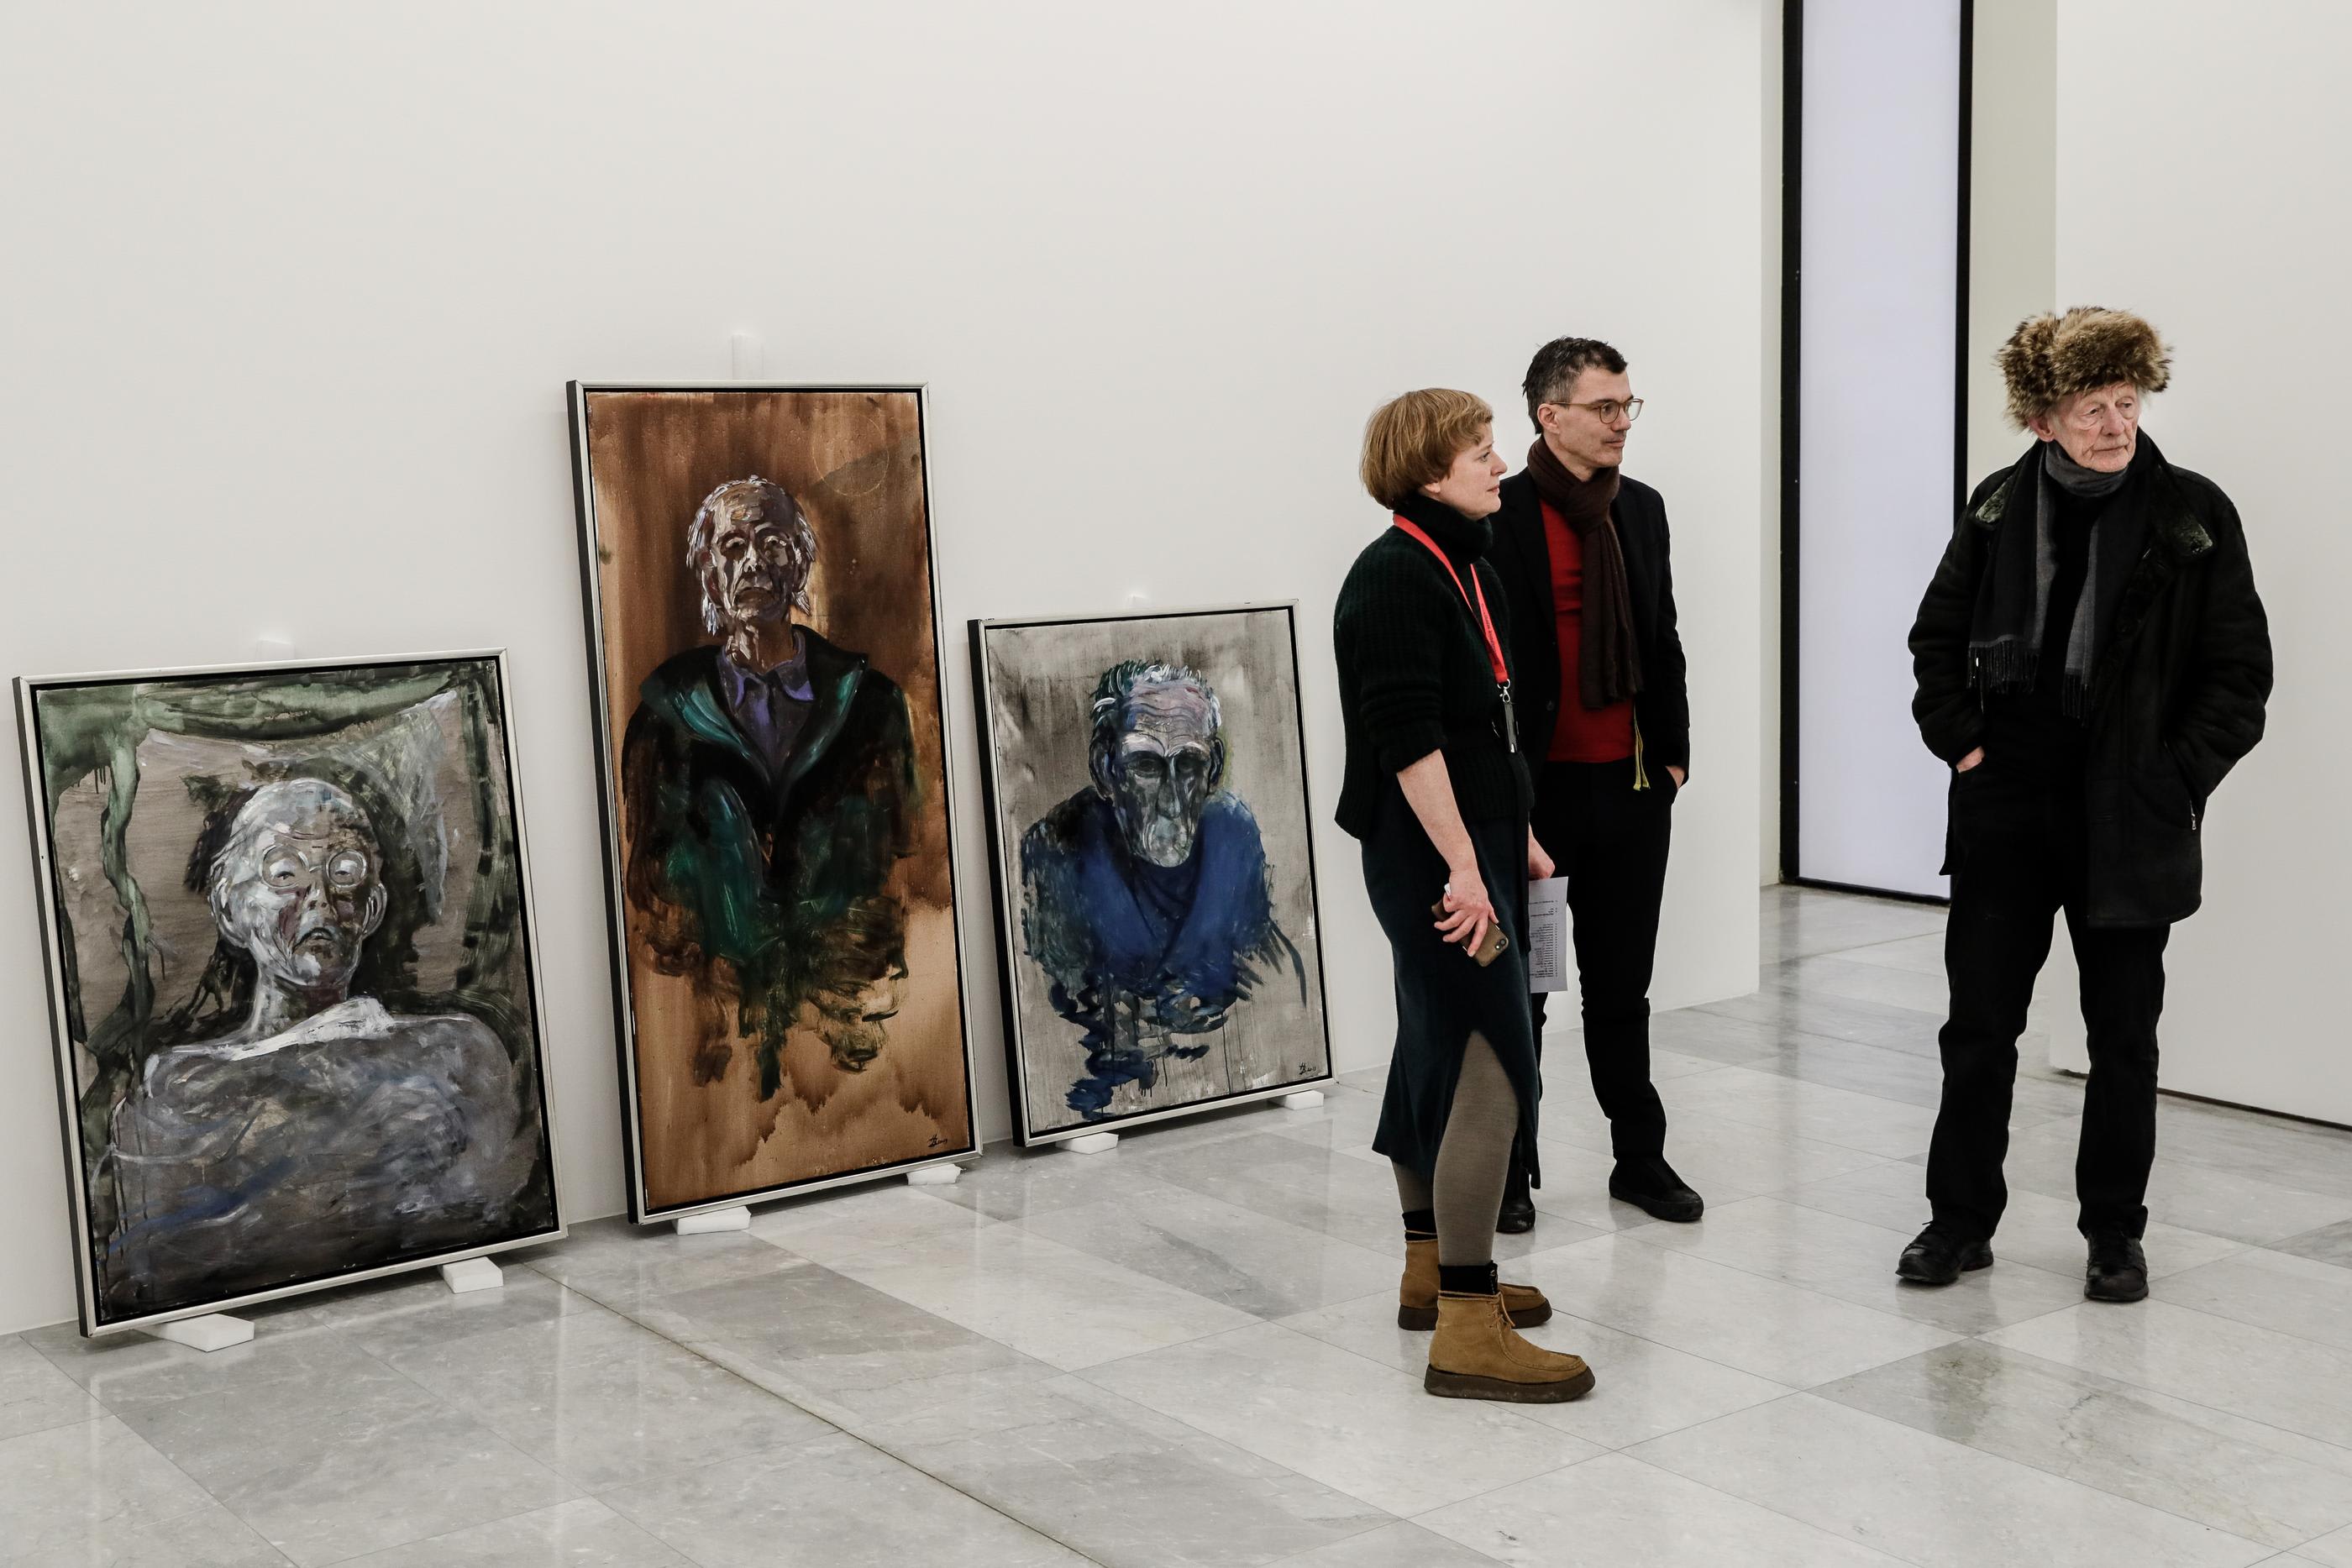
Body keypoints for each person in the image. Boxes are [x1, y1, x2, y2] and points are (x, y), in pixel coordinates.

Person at [1903, 307, 2271, 1303]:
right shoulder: (1995, 507)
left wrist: (2171, 777)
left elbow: (2238, 674)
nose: (2115, 425)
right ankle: (1957, 1222)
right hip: (2004, 811)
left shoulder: (2191, 513)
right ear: (2042, 420)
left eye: (2126, 401)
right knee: (1978, 1029)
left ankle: (2113, 1232)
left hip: (2128, 816)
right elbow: (1936, 639)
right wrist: (1962, 743)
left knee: (2122, 1039)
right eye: (2090, 408)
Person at [1333, 387, 1592, 1402]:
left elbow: (1485, 722)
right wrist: (1464, 867)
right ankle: (1468, 1323)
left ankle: (1431, 1270)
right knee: (1490, 1061)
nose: (1499, 464)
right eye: (1480, 451)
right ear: (1427, 471)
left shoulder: (1461, 563)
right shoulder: (1395, 575)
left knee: (1432, 1049)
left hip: (1470, 841)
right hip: (1432, 855)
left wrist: (1511, 832)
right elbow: (1408, 741)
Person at [108, 779, 535, 1316]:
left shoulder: (457, 1051)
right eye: (284, 874)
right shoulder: (175, 1089)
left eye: (344, 872)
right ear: (229, 908)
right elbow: (159, 1265)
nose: (319, 899)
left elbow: (488, 1204)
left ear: (372, 907)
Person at [1490, 337, 1698, 1230]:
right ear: (1550, 415)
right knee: (1524, 992)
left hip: (1633, 785)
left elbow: (1662, 637)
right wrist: (1501, 795)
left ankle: (1638, 1158)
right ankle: (1508, 1167)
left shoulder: (1639, 509)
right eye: (1604, 407)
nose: (1621, 422)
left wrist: (1675, 755)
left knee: (1621, 988)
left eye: (1626, 406)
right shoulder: (1498, 515)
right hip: (1535, 798)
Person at [622, 475, 920, 1093]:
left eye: (774, 543)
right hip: (713, 1024)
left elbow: (902, 863)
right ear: (710, 575)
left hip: (850, 1018)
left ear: (800, 564)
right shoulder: (664, 717)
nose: (754, 562)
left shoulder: (872, 706)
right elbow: (648, 886)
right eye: (733, 547)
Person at [1019, 658, 1305, 1119]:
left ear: (1213, 769)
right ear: (1106, 770)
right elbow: (1053, 1011)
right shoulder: (1056, 847)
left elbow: (1269, 980)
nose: (1172, 800)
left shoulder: (1235, 833)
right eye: (1146, 766)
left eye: (1188, 764)